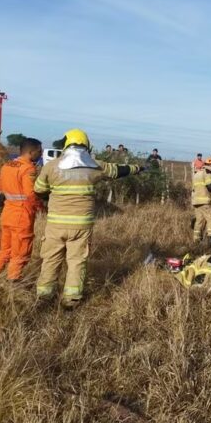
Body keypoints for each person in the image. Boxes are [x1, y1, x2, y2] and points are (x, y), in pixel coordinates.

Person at [34, 129, 143, 308]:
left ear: (66, 144)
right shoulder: (94, 165)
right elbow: (117, 170)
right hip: (81, 225)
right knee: (77, 261)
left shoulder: (51, 166)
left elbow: (38, 190)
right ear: (86, 145)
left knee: (51, 259)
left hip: (55, 224)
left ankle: (45, 296)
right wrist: (137, 168)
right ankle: (71, 299)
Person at [0, 137, 43, 281]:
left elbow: (1, 189)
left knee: (5, 250)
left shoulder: (7, 166)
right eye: (39, 151)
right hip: (22, 215)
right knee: (20, 253)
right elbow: (30, 194)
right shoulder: (28, 168)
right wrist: (41, 206)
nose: (41, 154)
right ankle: (13, 282)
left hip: (7, 213)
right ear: (31, 152)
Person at [192, 157, 211, 247]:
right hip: (205, 201)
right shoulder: (208, 172)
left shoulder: (197, 173)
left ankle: (196, 240)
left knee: (199, 221)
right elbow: (210, 185)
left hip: (196, 202)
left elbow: (193, 189)